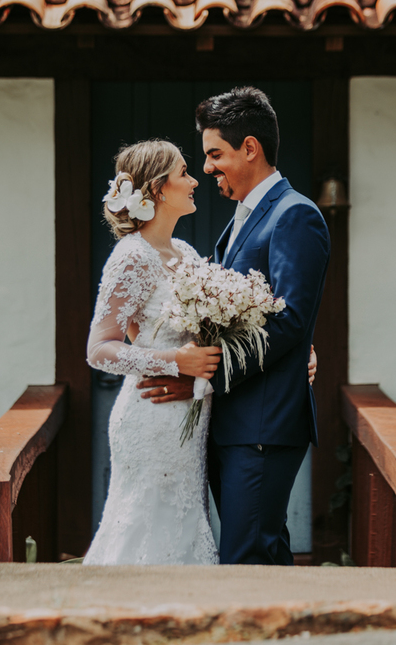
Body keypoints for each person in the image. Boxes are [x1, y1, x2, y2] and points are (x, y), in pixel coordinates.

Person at [137, 87, 330, 565]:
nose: (206, 168)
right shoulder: (241, 220)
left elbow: (287, 320)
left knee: (246, 559)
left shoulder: (295, 215)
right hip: (233, 422)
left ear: (251, 148)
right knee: (263, 553)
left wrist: (200, 376)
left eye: (214, 154)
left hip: (262, 425)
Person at [83, 139, 223, 565]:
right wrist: (176, 362)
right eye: (184, 173)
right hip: (150, 416)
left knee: (183, 527)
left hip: (189, 419)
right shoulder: (132, 256)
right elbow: (99, 349)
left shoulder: (186, 254)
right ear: (160, 189)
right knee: (148, 526)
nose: (195, 179)